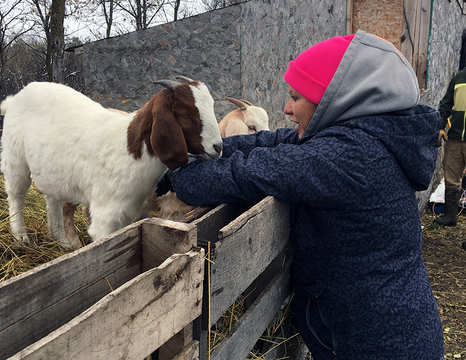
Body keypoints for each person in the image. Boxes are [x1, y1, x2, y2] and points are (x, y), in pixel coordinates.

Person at [156, 30, 444, 359]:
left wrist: (177, 173)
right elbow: (271, 141)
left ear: (335, 101)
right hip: (386, 328)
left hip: (377, 346)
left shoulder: (347, 156)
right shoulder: (363, 136)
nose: (287, 107)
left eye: (297, 97)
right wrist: (205, 148)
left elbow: (245, 174)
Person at [435, 68, 466, 226]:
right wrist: (440, 126)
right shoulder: (459, 78)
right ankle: (450, 216)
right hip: (455, 138)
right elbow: (445, 105)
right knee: (452, 179)